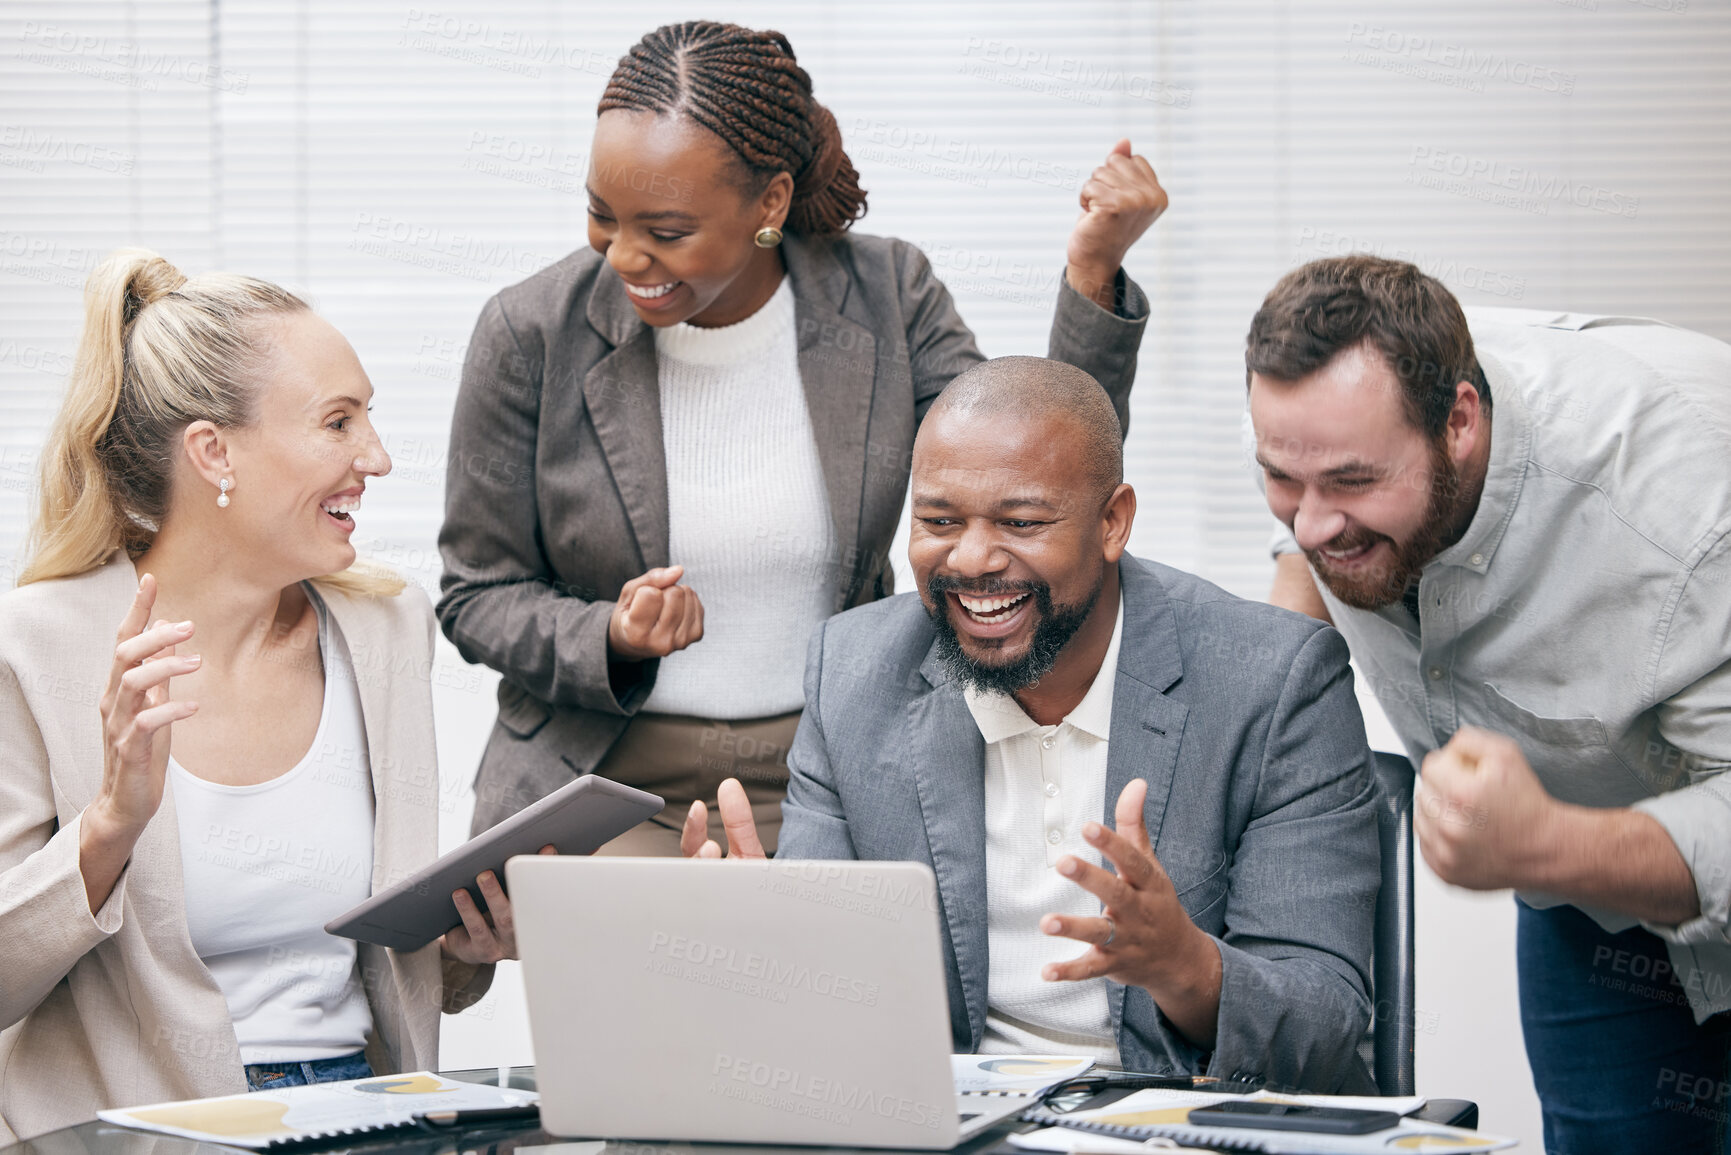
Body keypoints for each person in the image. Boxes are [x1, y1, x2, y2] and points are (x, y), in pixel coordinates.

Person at [438, 20, 1169, 852]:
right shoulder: (531, 333)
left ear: (770, 203)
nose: (625, 257)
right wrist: (608, 634)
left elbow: (1032, 459)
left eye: (667, 231)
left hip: (833, 772)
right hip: (606, 785)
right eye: (603, 216)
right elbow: (476, 594)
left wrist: (1092, 270)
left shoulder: (886, 294)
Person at [682, 356, 1380, 1091]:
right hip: (948, 1121)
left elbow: (1324, 1024)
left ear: (1112, 522)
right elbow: (834, 1000)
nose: (973, 557)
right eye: (938, 521)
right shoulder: (853, 672)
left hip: (1174, 1116)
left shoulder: (1273, 681)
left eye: (1020, 522)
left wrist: (1186, 967)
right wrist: (763, 947)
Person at [0, 250, 531, 1143]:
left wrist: (462, 951)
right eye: (337, 423)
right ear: (214, 452)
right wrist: (110, 827)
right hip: (141, 1131)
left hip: (365, 1115)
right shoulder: (37, 645)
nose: (378, 457)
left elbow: (374, 970)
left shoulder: (386, 627)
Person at [1247, 255, 1731, 1151]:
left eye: (1351, 483)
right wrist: (1266, 699)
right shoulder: (1334, 433)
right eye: (1282, 478)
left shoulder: (1687, 515)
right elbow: (1307, 527)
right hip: (1593, 908)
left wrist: (1546, 841)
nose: (1310, 522)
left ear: (1460, 421)